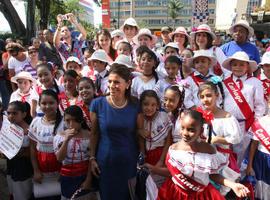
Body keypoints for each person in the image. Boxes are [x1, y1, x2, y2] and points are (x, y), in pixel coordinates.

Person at [154, 110, 250, 199]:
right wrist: (152, 169)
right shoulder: (174, 149)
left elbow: (213, 175)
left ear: (200, 131)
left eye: (191, 130)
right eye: (182, 128)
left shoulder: (209, 151)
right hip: (176, 193)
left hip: (200, 195)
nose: (185, 133)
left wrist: (233, 185)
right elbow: (172, 173)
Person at [89, 64, 139, 200]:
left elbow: (139, 134)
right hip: (105, 163)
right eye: (110, 81)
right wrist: (92, 158)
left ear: (128, 84)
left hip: (129, 162)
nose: (111, 85)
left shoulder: (136, 106)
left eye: (117, 82)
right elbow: (94, 134)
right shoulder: (97, 104)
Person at [198, 82, 242, 195]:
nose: (205, 99)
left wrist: (217, 139)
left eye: (208, 95)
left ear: (216, 95)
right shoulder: (199, 115)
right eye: (202, 97)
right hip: (203, 158)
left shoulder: (226, 117)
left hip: (222, 158)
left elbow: (236, 138)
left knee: (219, 191)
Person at [222, 51, 265, 166]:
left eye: (242, 64)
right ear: (231, 66)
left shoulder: (255, 83)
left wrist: (254, 125)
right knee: (224, 152)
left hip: (245, 125)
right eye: (235, 64)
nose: (238, 67)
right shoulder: (224, 82)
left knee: (240, 154)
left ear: (248, 67)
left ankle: (239, 178)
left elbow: (260, 105)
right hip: (227, 123)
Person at [29, 90, 63, 200]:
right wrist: (36, 170)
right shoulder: (36, 122)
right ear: (39, 104)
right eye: (43, 103)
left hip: (61, 172)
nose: (47, 106)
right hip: (42, 173)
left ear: (57, 103)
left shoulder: (65, 123)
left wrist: (64, 172)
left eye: (51, 103)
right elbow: (33, 149)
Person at [54, 105, 91, 199]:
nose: (71, 124)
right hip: (67, 177)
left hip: (84, 176)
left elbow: (92, 159)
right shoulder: (59, 137)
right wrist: (66, 140)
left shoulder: (89, 136)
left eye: (74, 120)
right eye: (67, 120)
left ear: (81, 120)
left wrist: (88, 180)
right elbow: (59, 158)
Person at [5, 101, 33, 200]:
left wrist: (16, 152)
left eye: (15, 113)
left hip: (23, 169)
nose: (11, 116)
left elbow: (32, 153)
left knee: (23, 195)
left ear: (24, 114)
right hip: (11, 167)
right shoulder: (8, 128)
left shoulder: (29, 131)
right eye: (8, 113)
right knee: (14, 192)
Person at [137, 90, 172, 166]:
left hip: (161, 154)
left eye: (153, 105)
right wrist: (142, 155)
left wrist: (161, 160)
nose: (149, 108)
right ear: (141, 105)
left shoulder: (163, 117)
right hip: (146, 155)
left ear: (157, 105)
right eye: (146, 104)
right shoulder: (140, 118)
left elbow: (168, 141)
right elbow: (140, 139)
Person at [246, 113, 270, 200]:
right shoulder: (260, 122)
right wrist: (249, 164)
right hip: (261, 159)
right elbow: (254, 145)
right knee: (261, 185)